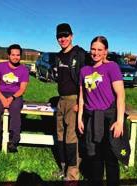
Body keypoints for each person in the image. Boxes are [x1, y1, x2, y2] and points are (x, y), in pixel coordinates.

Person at [78, 36, 130, 186]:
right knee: (95, 157)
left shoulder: (112, 67)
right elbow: (82, 96)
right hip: (91, 118)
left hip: (109, 118)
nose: (95, 53)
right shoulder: (84, 70)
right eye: (93, 49)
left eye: (100, 49)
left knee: (111, 157)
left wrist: (119, 121)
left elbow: (121, 95)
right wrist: (80, 117)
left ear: (105, 51)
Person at [54, 23, 87, 181]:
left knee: (71, 138)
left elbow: (87, 79)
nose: (63, 39)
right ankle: (63, 167)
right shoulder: (58, 56)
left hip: (74, 100)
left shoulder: (80, 54)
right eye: (60, 36)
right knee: (60, 136)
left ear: (72, 36)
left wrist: (81, 103)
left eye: (66, 35)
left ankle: (72, 175)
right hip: (61, 101)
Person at [0, 44, 29, 152]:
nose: (15, 57)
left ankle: (13, 140)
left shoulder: (24, 70)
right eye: (13, 55)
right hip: (0, 93)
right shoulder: (0, 66)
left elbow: (22, 89)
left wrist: (12, 98)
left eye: (18, 55)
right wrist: (2, 98)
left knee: (15, 109)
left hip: (15, 94)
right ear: (8, 55)